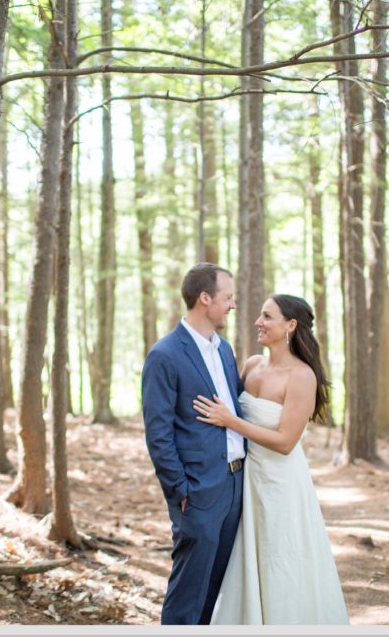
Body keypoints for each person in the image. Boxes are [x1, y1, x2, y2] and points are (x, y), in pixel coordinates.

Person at [193, 293, 349, 625]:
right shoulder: (251, 364)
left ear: (290, 325)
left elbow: (285, 442)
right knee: (245, 559)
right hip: (245, 480)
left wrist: (230, 421)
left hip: (281, 484)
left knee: (280, 557)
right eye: (260, 316)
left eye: (266, 317)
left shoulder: (302, 376)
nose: (257, 322)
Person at [141, 263, 246, 625]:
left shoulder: (225, 350)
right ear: (205, 299)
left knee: (213, 588)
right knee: (188, 590)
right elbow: (159, 433)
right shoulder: (165, 355)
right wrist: (181, 490)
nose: (233, 305)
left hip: (235, 484)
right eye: (228, 297)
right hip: (198, 491)